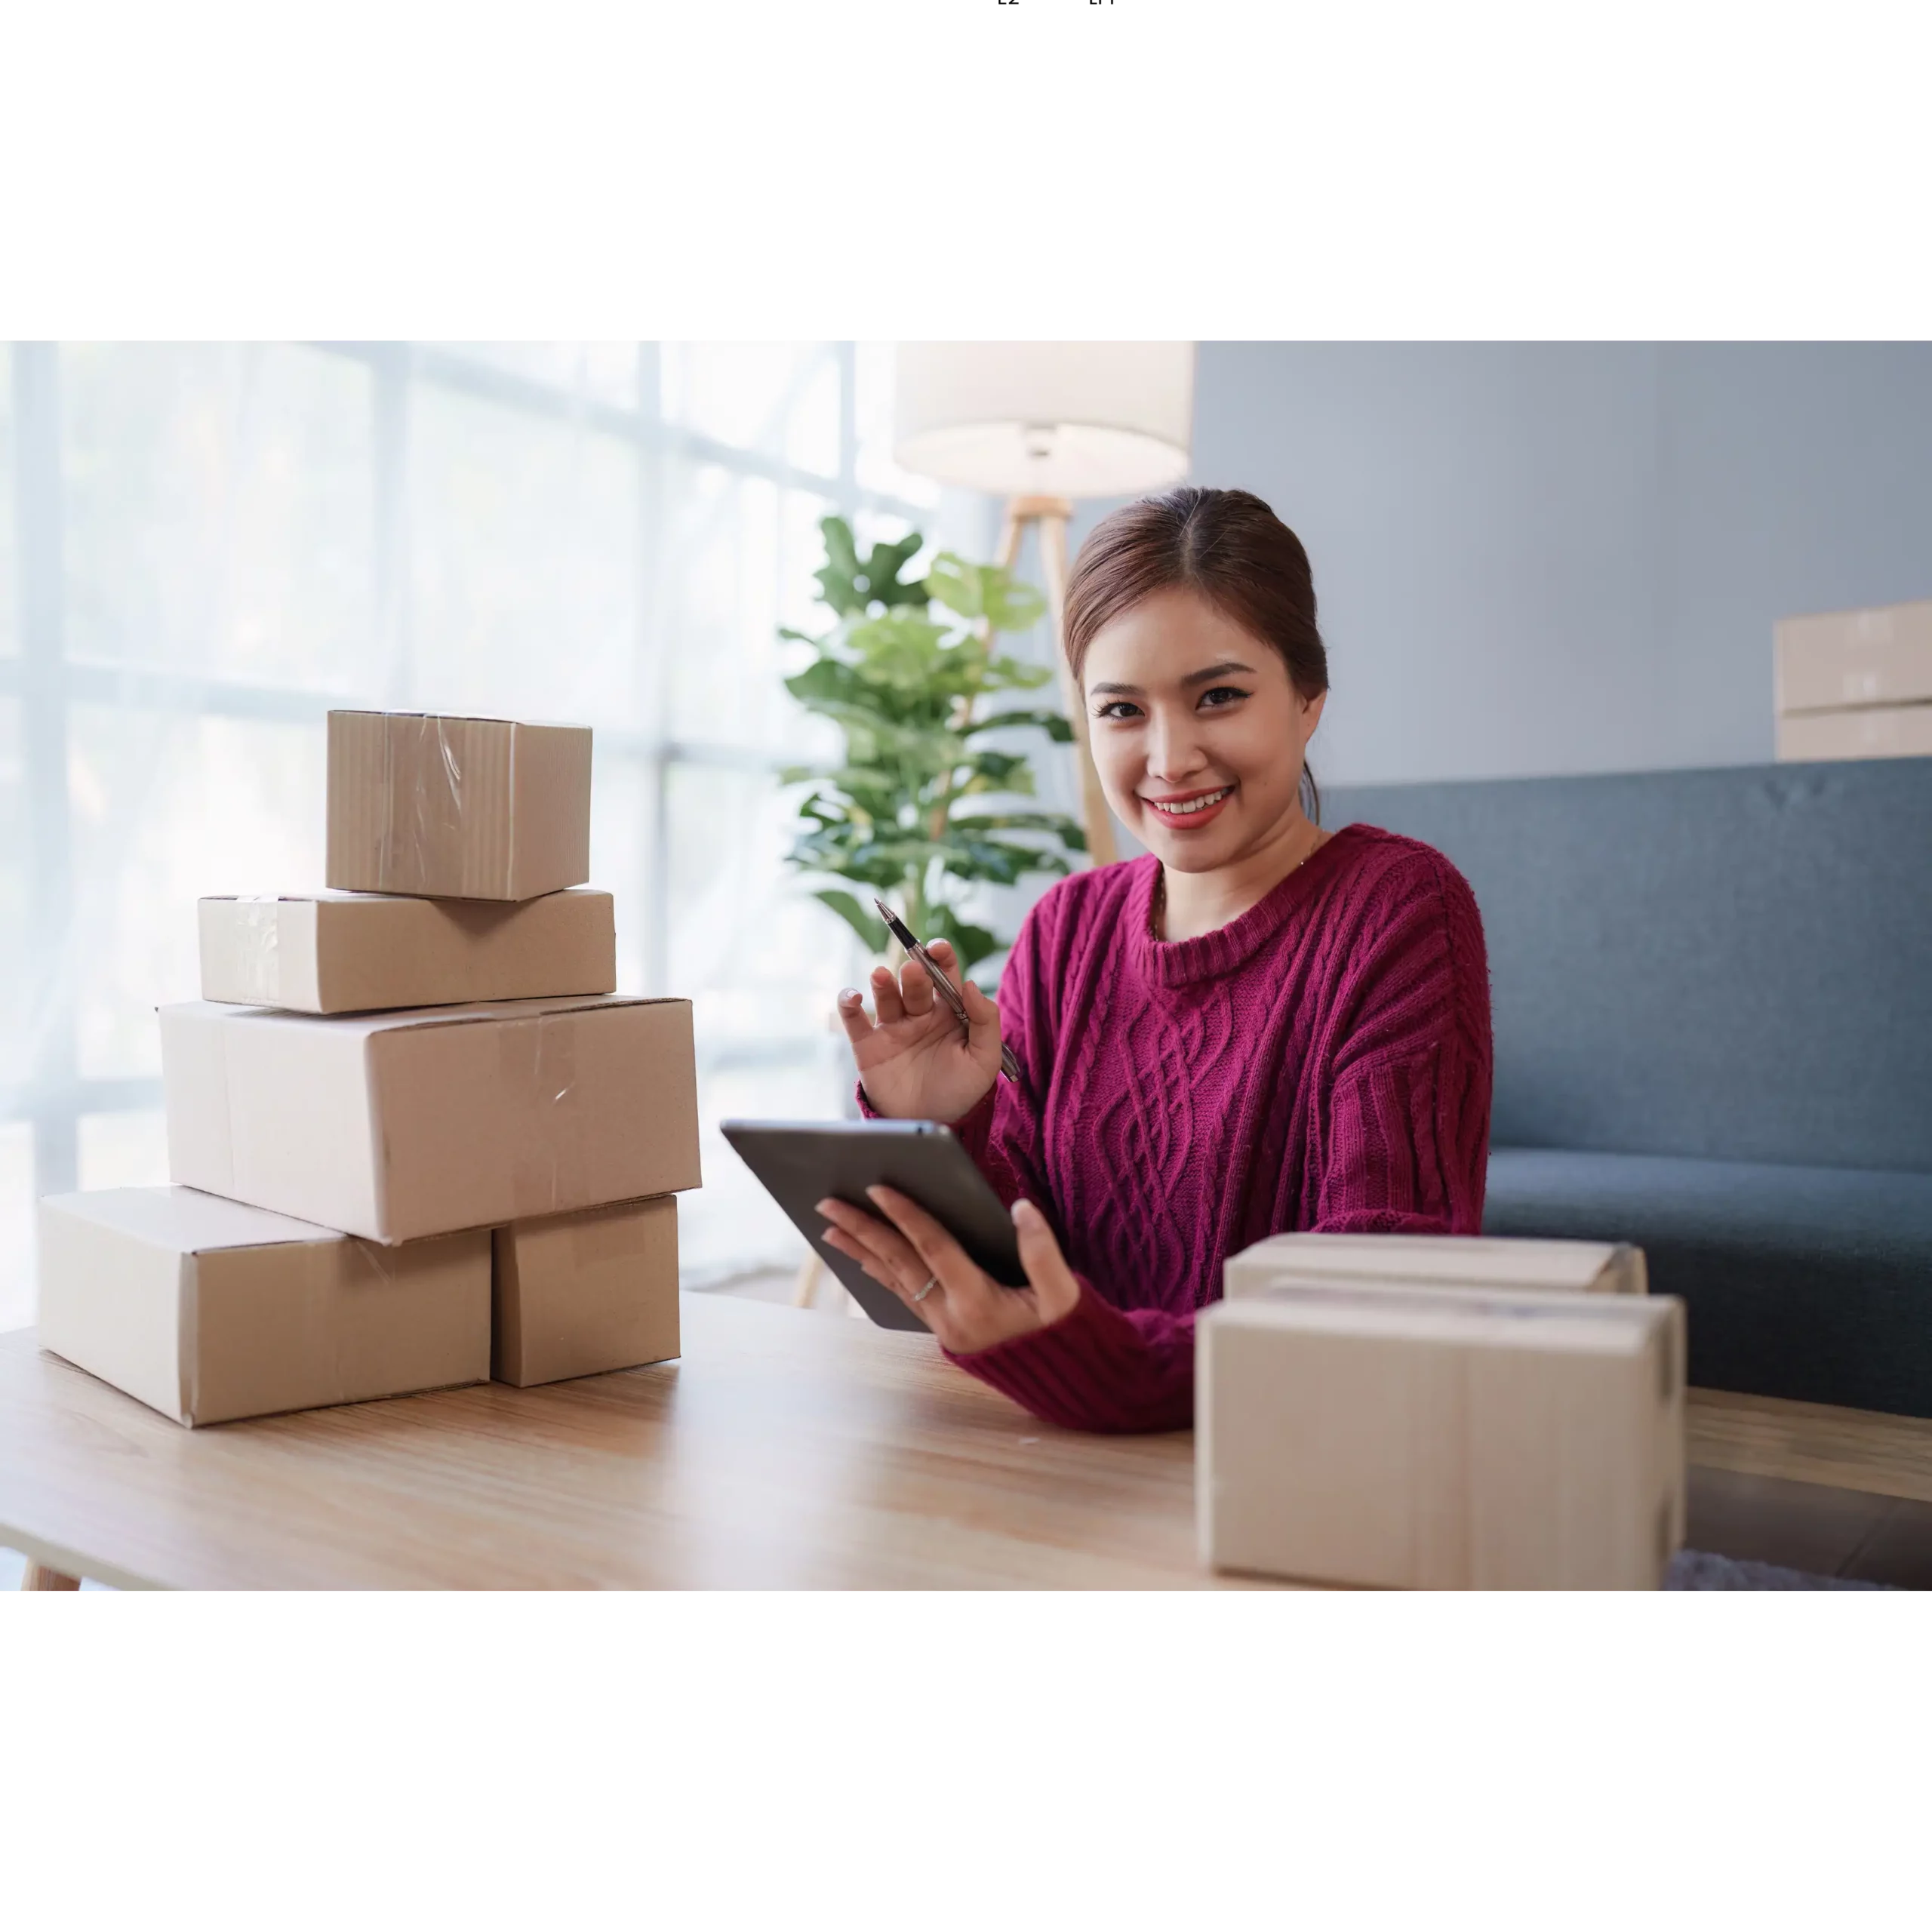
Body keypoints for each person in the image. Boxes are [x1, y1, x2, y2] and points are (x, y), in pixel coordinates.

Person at [815, 487, 1492, 1432]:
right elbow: (1031, 1264)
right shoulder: (1067, 929)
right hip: (1058, 1448)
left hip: (1294, 1462)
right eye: (1123, 709)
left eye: (1218, 696)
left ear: (1308, 700)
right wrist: (949, 1125)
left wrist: (1113, 1372)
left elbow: (1383, 1292)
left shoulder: (1398, 907)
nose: (1169, 759)